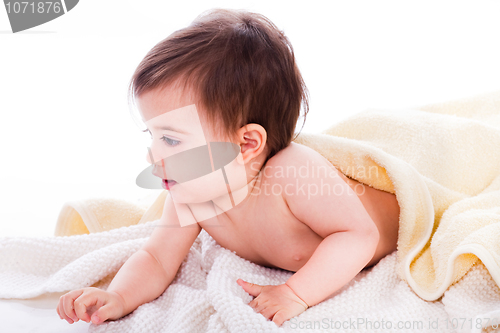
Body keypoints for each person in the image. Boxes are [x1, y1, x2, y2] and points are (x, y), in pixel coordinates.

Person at [56, 7, 400, 327]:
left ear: (246, 144)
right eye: (153, 135)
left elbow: (359, 234)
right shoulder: (191, 192)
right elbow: (157, 258)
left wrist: (295, 293)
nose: (152, 156)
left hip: (388, 214)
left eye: (172, 140)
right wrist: (117, 297)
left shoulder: (290, 174)